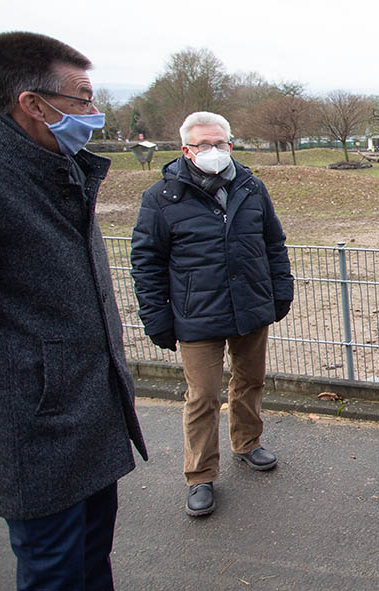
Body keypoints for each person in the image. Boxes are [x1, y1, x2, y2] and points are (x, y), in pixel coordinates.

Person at [0, 32, 147, 589]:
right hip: (33, 431)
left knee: (92, 563)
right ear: (32, 103)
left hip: (91, 417)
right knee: (54, 573)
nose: (93, 113)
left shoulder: (60, 166)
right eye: (83, 99)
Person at [130, 111, 293, 517]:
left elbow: (273, 243)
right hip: (196, 314)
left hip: (250, 307)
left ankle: (247, 442)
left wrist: (280, 291)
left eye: (221, 143)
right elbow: (146, 263)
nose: (214, 151)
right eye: (204, 144)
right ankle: (200, 474)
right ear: (186, 149)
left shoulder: (251, 188)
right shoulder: (161, 199)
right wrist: (157, 317)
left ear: (231, 144)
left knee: (249, 380)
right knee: (202, 395)